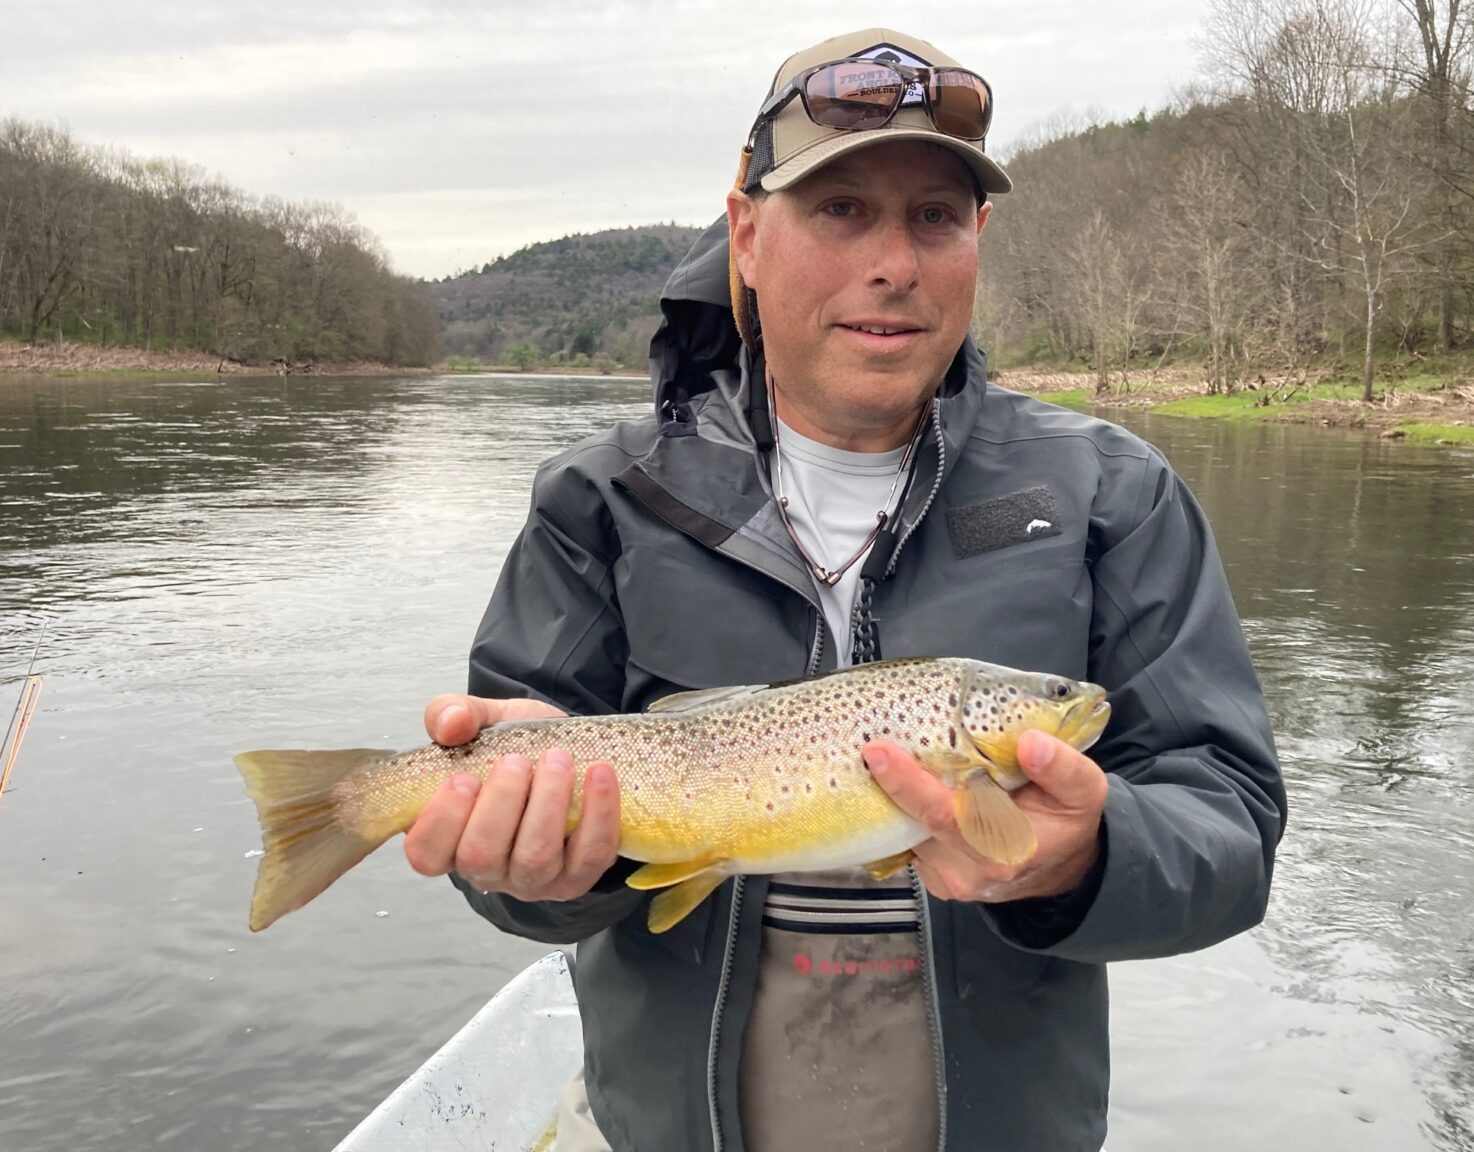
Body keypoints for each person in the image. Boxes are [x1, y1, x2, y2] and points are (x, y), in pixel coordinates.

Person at [402, 27, 1286, 1152]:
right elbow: (513, 885)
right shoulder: (601, 501)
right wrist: (537, 869)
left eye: (936, 216)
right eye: (840, 209)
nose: (896, 263)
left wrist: (1088, 857)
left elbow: (1231, 830)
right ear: (746, 235)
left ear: (977, 240)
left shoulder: (1116, 495)